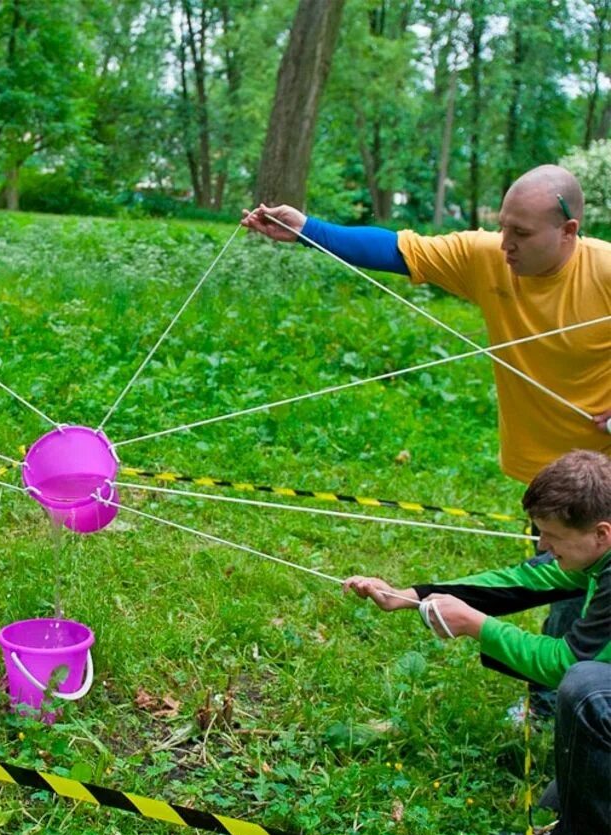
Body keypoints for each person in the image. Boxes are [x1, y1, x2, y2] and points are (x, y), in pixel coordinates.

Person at [243, 164, 611, 715]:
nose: (505, 243)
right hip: (548, 472)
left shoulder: (604, 271)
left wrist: (476, 627)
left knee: (584, 598)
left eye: (522, 234)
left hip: (602, 473)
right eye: (503, 226)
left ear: (569, 231)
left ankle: (568, 705)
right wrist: (307, 228)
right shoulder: (489, 256)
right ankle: (557, 702)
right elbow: (395, 249)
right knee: (549, 575)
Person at [343, 449, 611, 835]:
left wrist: (478, 626)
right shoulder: (602, 552)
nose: (542, 545)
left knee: (586, 688)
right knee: (562, 800)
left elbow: (567, 664)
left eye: (551, 536)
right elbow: (526, 581)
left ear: (601, 533)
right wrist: (411, 595)